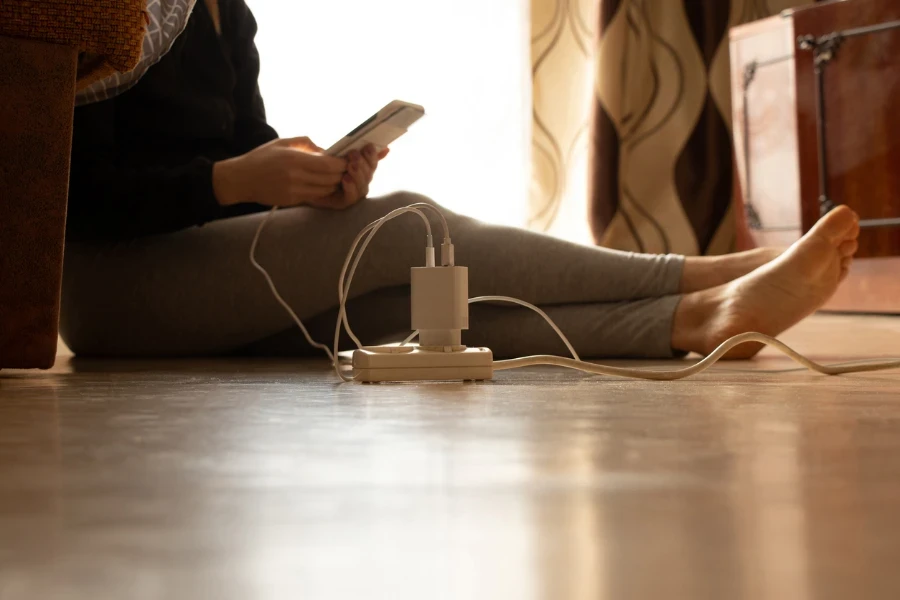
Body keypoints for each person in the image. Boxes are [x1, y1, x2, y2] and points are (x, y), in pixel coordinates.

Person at [62, 0, 860, 361]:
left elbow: (239, 149)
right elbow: (75, 195)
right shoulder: (88, 13)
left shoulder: (218, 8)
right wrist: (234, 182)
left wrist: (311, 177)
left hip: (203, 280)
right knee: (407, 226)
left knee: (410, 314)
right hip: (107, 288)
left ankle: (693, 323)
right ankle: (707, 271)